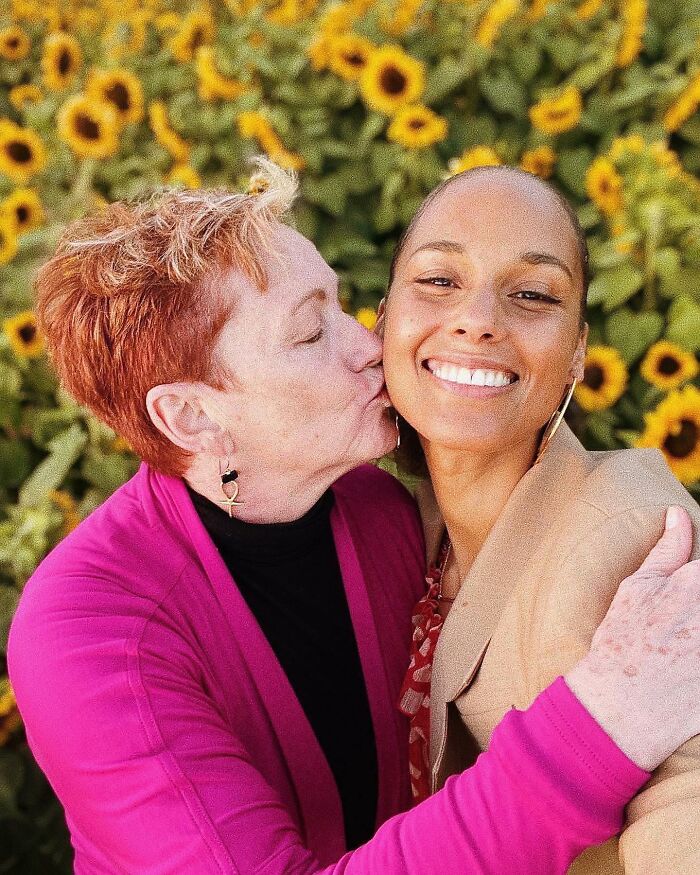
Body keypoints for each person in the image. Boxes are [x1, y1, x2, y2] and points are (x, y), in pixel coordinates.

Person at [6, 161, 700, 875]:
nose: (367, 345)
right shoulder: (88, 634)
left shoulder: (386, 512)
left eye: (342, 306)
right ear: (191, 415)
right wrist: (602, 722)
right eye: (311, 332)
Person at [381, 164, 700, 874]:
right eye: (439, 280)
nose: (479, 318)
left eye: (532, 294)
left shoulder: (637, 535)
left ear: (578, 354)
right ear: (383, 315)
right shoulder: (389, 518)